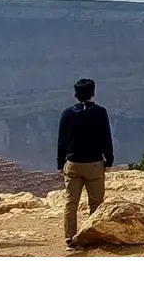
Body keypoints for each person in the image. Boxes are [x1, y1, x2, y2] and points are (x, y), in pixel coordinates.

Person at [57, 77, 114, 245]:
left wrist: (60, 163)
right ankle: (92, 235)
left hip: (73, 163)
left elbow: (61, 140)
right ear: (93, 93)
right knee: (96, 203)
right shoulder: (100, 112)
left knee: (71, 202)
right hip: (94, 163)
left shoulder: (67, 113)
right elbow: (106, 137)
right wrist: (109, 159)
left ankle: (69, 237)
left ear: (75, 94)